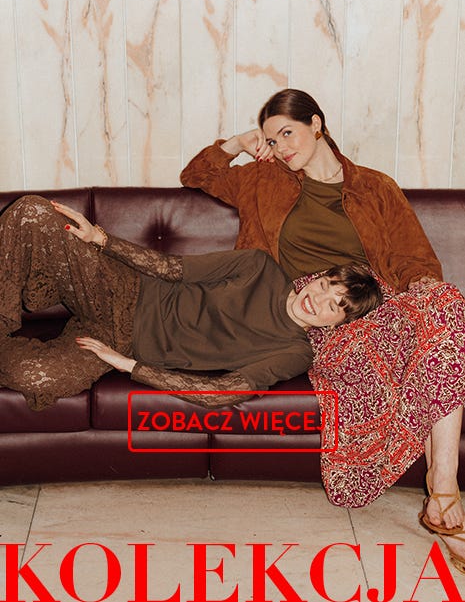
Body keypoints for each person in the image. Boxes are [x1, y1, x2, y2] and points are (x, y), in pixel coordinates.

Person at [180, 87, 465, 574]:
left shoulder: (376, 187)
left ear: (317, 124)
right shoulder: (262, 180)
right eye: (272, 139)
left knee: (446, 306)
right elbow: (196, 175)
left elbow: (415, 259)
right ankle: (442, 500)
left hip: (374, 301)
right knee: (413, 342)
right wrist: (242, 142)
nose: (281, 147)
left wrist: (419, 295)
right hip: (314, 310)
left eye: (287, 133)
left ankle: (443, 485)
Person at [0, 195, 382, 415]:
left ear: (336, 324)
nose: (318, 300)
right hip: (120, 289)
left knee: (35, 378)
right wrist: (101, 239)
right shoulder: (259, 267)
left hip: (116, 343)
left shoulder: (295, 353)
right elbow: (170, 268)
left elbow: (220, 393)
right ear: (315, 278)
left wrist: (127, 364)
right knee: (32, 210)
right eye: (325, 285)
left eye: (334, 306)